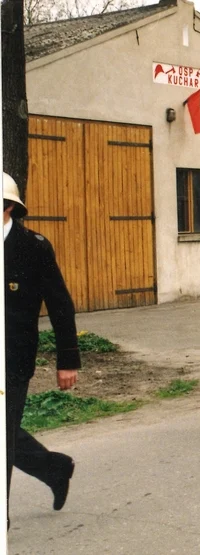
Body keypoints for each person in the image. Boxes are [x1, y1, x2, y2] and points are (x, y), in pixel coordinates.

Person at [4, 172, 79, 518]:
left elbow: (60, 306)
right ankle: (54, 468)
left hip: (13, 359)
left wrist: (67, 360)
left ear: (6, 207)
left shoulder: (33, 247)